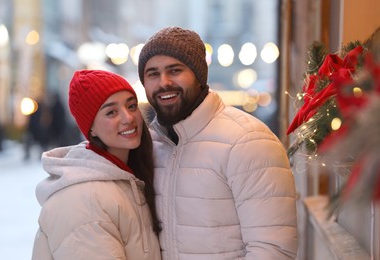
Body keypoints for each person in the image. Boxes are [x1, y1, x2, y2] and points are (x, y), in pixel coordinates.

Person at [138, 26, 298, 259]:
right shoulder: (149, 146)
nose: (164, 82)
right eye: (153, 74)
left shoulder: (248, 141)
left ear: (199, 75)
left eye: (175, 70)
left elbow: (273, 249)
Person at [32, 70, 161, 260]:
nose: (128, 118)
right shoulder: (86, 201)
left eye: (131, 106)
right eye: (111, 112)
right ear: (90, 126)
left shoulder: (126, 180)